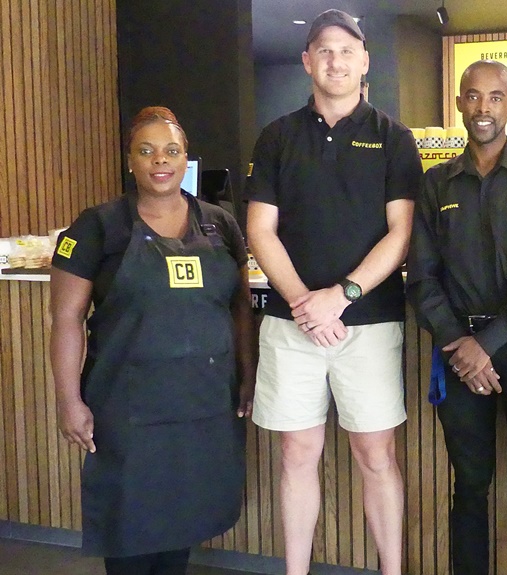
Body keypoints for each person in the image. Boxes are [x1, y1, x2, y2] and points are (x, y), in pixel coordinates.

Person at [244, 9, 421, 575]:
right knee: (296, 454)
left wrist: (339, 296)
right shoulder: (277, 137)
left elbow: (402, 233)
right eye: (324, 50)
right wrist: (304, 302)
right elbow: (259, 230)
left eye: (346, 51)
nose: (335, 60)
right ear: (306, 61)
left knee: (376, 455)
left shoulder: (394, 139)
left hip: (368, 324)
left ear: (365, 61)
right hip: (291, 324)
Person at [49, 106, 254, 575]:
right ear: (130, 161)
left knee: (181, 519)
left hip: (200, 405)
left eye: (171, 151)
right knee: (130, 525)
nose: (160, 161)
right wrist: (68, 401)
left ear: (186, 160)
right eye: (146, 151)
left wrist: (247, 372)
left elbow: (240, 307)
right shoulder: (97, 226)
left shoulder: (220, 224)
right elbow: (66, 317)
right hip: (127, 407)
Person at [406, 59, 507, 575]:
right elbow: (422, 277)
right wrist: (462, 344)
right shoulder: (436, 185)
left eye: (495, 97)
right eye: (473, 97)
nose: (483, 108)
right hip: (457, 350)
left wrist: (491, 342)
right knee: (470, 485)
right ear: (459, 103)